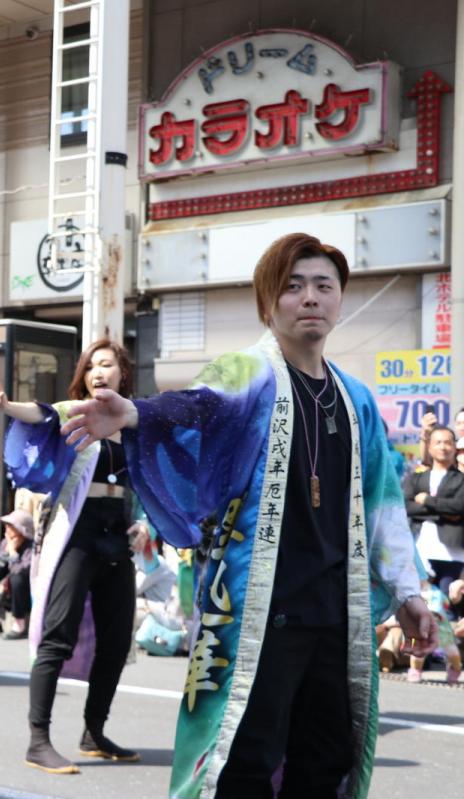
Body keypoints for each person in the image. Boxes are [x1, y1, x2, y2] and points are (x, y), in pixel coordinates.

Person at [59, 232, 434, 798]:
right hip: (255, 614)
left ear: (339, 299)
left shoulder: (357, 400)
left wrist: (407, 593)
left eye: (323, 286)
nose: (309, 297)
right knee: (239, 760)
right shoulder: (247, 372)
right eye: (293, 286)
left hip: (336, 614)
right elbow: (201, 406)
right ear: (268, 302)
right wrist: (137, 412)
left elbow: (382, 506)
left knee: (325, 757)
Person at [0, 339, 148, 773]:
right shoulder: (78, 410)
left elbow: (150, 482)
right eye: (93, 366)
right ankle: (38, 740)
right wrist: (6, 404)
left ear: (122, 373)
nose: (100, 372)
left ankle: (93, 732)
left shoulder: (133, 420)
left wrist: (143, 524)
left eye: (108, 365)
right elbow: (41, 413)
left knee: (116, 642)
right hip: (78, 530)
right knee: (58, 635)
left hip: (119, 533)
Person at [404, 425, 464, 611]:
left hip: (450, 553)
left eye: (447, 442)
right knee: (419, 607)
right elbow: (406, 506)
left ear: (454, 447)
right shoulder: (415, 478)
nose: (443, 447)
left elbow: (459, 507)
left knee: (447, 607)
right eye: (438, 442)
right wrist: (444, 511)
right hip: (419, 550)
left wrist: (427, 500)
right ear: (429, 447)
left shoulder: (461, 479)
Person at [0, 509, 33, 639]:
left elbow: (21, 570)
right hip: (7, 578)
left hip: (24, 585)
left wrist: (13, 553)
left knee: (16, 579)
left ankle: (19, 624)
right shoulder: (6, 542)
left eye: (11, 526)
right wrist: (7, 553)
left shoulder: (29, 546)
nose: (7, 528)